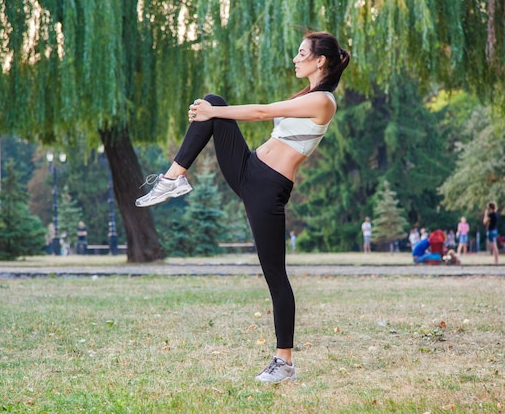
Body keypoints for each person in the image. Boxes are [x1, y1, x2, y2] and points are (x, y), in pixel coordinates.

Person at [135, 31, 350, 383]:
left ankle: (285, 362)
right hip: (250, 169)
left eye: (300, 53)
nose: (295, 59)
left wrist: (212, 112)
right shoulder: (309, 95)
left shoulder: (323, 101)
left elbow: (262, 111)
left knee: (275, 277)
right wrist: (212, 110)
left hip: (267, 188)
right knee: (213, 101)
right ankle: (173, 178)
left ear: (319, 60)